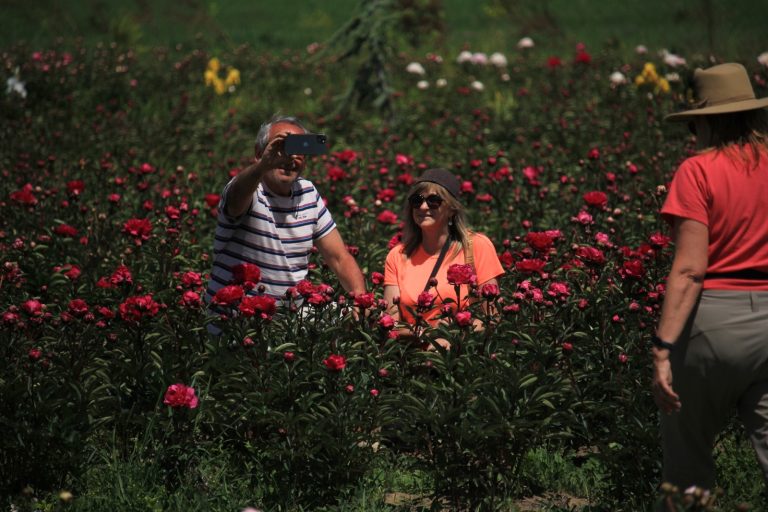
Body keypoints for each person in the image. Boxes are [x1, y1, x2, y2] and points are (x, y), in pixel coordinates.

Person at [652, 63, 768, 492]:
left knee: (688, 470)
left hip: (715, 321)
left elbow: (689, 268)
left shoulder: (698, 171)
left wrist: (663, 349)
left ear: (704, 121)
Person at [204, 114, 366, 328]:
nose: (289, 158)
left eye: (298, 149)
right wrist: (263, 166)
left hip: (289, 321)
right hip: (236, 323)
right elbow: (236, 198)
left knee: (349, 317)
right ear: (259, 153)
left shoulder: (307, 193)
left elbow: (339, 257)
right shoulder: (249, 190)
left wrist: (361, 300)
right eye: (280, 147)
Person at [383, 168, 504, 349]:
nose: (423, 207)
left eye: (433, 201)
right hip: (414, 359)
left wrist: (451, 339)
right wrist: (428, 335)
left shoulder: (477, 246)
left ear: (452, 209)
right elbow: (390, 323)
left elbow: (491, 316)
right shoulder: (398, 256)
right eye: (417, 201)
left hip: (464, 358)